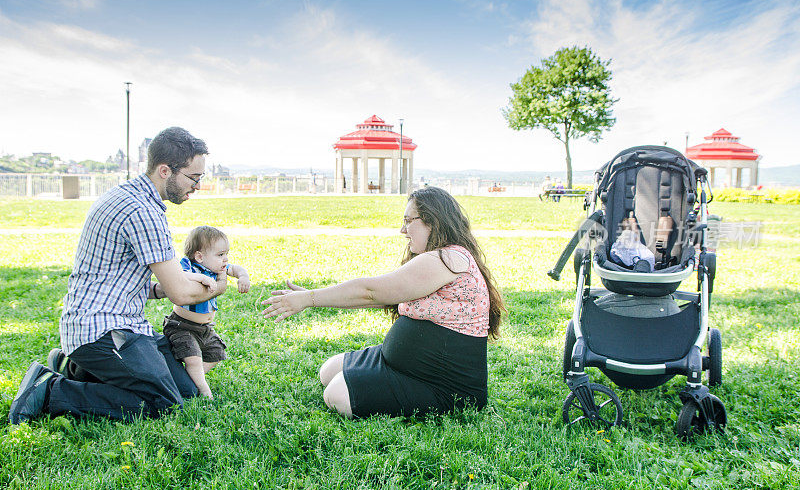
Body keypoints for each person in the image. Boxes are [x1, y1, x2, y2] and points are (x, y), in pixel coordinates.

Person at [9, 127, 223, 424]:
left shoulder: (127, 194)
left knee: (187, 390)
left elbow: (116, 276)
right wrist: (218, 285)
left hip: (115, 324)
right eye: (194, 177)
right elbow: (183, 294)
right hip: (103, 330)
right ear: (165, 171)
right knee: (165, 404)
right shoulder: (142, 211)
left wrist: (158, 290)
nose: (198, 185)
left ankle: (74, 368)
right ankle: (50, 391)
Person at [262, 186, 505, 418]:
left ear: (433, 221)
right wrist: (315, 294)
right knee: (328, 372)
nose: (403, 229)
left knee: (336, 394)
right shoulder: (441, 257)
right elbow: (380, 297)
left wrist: (308, 299)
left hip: (443, 385)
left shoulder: (449, 258)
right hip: (405, 367)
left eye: (409, 221)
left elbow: (371, 292)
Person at [163, 226, 250, 398]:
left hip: (205, 328)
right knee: (193, 358)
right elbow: (180, 276)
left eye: (226, 254)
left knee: (216, 352)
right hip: (182, 326)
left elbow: (237, 268)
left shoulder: (219, 268)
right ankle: (204, 392)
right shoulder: (189, 265)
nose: (225, 260)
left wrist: (243, 276)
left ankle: (186, 379)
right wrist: (201, 278)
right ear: (199, 256)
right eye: (220, 255)